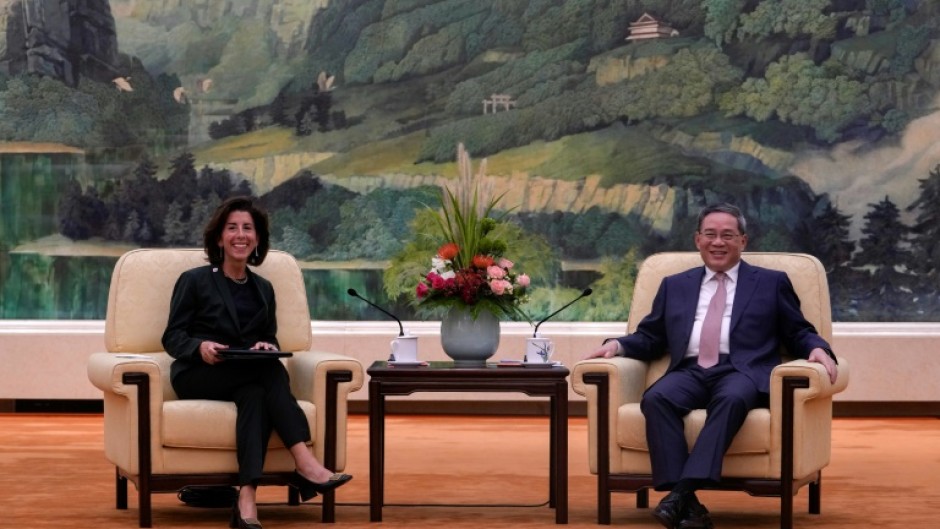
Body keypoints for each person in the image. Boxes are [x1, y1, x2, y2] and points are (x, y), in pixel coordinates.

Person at [583, 203, 838, 529]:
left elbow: (798, 330)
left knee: (731, 399)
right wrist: (617, 345)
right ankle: (689, 507)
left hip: (742, 371)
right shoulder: (675, 285)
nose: (718, 242)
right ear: (698, 240)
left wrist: (817, 348)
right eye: (711, 235)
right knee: (656, 399)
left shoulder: (771, 283)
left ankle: (681, 493)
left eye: (728, 235)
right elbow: (651, 336)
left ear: (743, 241)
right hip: (690, 370)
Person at [162, 196, 352, 529]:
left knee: (256, 392)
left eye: (248, 228)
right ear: (219, 238)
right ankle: (305, 462)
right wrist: (200, 346)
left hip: (247, 376)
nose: (240, 235)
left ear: (258, 238)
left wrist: (267, 345)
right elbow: (172, 337)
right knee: (268, 369)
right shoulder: (195, 280)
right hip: (199, 372)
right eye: (232, 228)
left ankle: (247, 498)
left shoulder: (263, 288)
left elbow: (269, 337)